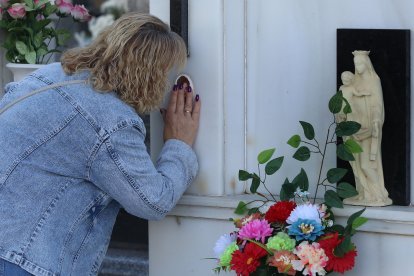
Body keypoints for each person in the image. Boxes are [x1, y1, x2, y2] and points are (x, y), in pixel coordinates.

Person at [0, 12, 201, 275]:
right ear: (151, 75)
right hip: (24, 261)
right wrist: (179, 143)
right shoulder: (110, 120)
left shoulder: (49, 75)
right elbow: (153, 200)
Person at [341, 50, 392, 206]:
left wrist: (376, 120)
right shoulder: (353, 82)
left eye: (361, 64)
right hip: (353, 125)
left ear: (367, 64)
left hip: (369, 126)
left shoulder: (374, 80)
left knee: (367, 163)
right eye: (356, 64)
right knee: (356, 162)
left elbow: (378, 103)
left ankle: (379, 193)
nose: (358, 67)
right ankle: (363, 192)